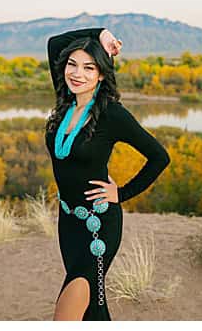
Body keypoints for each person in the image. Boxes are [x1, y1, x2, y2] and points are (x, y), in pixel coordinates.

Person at [43, 27, 169, 320]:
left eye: (89, 67)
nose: (77, 73)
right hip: (69, 224)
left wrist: (121, 193)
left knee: (66, 314)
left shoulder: (112, 114)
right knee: (93, 308)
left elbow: (160, 157)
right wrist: (100, 33)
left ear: (101, 74)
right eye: (72, 65)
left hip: (98, 225)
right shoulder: (66, 99)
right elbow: (54, 43)